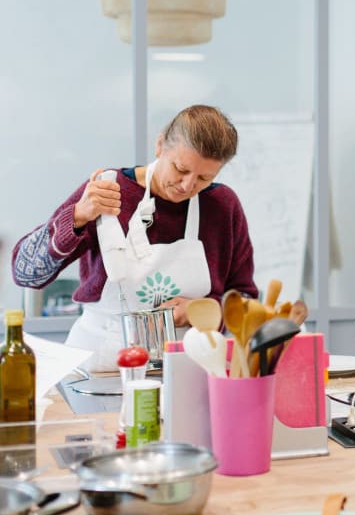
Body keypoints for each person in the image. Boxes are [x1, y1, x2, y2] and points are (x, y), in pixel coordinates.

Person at [12, 105, 264, 372]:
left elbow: (246, 301)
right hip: (102, 364)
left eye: (204, 178)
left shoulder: (222, 206)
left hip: (188, 366)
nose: (187, 185)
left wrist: (203, 311)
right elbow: (26, 273)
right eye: (180, 169)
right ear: (160, 146)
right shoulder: (108, 191)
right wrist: (76, 217)